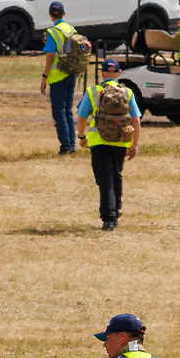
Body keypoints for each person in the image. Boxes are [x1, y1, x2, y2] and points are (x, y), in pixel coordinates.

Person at [78, 58, 142, 231]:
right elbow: (136, 120)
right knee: (116, 174)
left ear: (102, 73)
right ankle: (116, 209)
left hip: (98, 140)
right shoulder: (127, 92)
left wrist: (82, 137)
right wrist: (134, 144)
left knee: (105, 178)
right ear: (119, 74)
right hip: (121, 140)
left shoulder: (93, 91)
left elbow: (81, 118)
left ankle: (109, 218)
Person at [40, 2, 86, 155]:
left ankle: (66, 146)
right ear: (64, 14)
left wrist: (44, 76)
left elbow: (50, 55)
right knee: (68, 111)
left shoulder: (52, 32)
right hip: (71, 73)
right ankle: (72, 145)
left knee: (59, 112)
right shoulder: (71, 29)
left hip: (57, 76)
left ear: (50, 15)